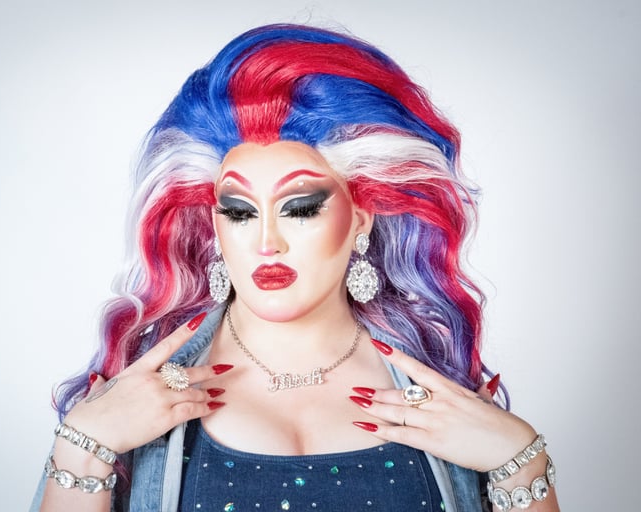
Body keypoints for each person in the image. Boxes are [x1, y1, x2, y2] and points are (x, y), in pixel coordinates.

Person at [30, 23, 560, 512]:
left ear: (361, 216)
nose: (267, 242)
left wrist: (520, 462)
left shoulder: (437, 386)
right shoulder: (136, 390)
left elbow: (512, 466)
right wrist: (85, 447)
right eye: (239, 212)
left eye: (301, 209)